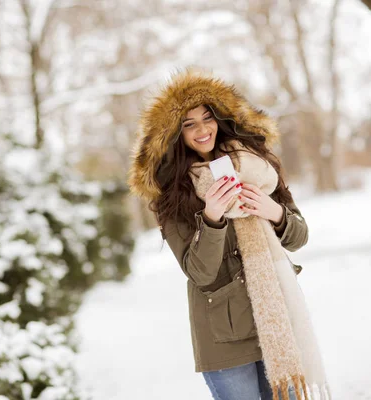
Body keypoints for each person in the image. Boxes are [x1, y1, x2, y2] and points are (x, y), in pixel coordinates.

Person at [127, 69, 331, 400]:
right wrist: (212, 216)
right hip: (224, 338)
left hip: (278, 322)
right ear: (176, 134)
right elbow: (200, 273)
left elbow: (298, 236)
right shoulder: (172, 192)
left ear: (220, 119)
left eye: (207, 118)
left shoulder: (257, 167)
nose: (201, 129)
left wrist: (273, 211)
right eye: (188, 124)